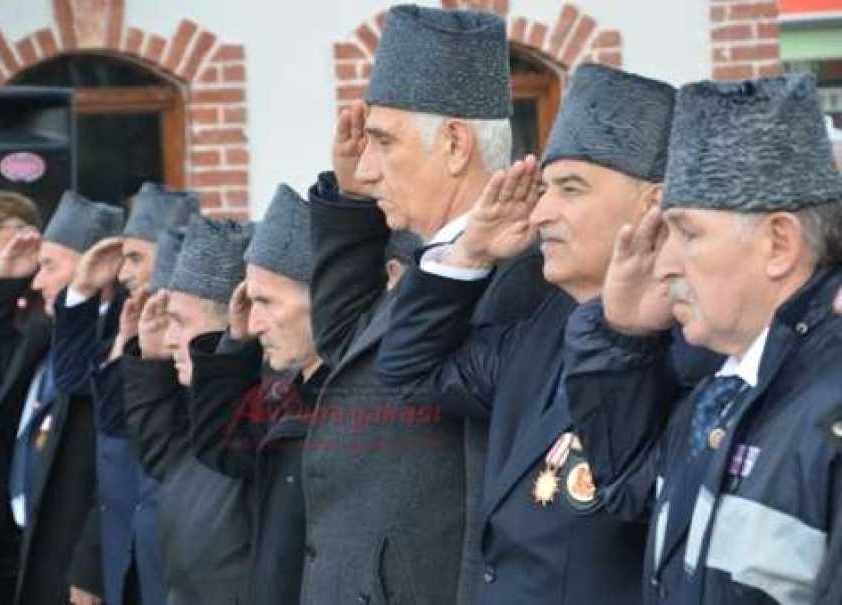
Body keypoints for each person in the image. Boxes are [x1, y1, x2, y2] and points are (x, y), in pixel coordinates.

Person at [376, 64, 691, 604]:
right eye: (544, 189)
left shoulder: (691, 348)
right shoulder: (545, 327)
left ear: (652, 205)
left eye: (570, 188)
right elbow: (409, 369)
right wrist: (469, 252)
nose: (541, 212)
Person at [561, 73, 842, 603]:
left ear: (778, 244)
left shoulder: (824, 403)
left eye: (687, 233)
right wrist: (624, 339)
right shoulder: (722, 391)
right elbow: (630, 489)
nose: (664, 264)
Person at [301, 7, 550, 603]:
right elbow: (344, 348)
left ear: (455, 144)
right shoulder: (433, 258)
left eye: (384, 142)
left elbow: (486, 495)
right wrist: (351, 203)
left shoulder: (517, 275)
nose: (367, 167)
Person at [0, 191, 123, 605]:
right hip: (18, 541)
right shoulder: (43, 334)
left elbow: (116, 469)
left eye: (49, 267)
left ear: (100, 268)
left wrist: (90, 565)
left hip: (69, 557)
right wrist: (3, 280)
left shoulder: (119, 342)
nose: (38, 282)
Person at [51, 182, 199, 605]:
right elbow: (75, 384)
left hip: (174, 561)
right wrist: (83, 290)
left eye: (135, 258)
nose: (123, 273)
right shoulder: (127, 323)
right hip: (126, 553)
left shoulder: (196, 353)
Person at [184, 183, 324, 605]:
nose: (256, 322)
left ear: (324, 299)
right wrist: (235, 343)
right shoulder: (291, 396)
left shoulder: (351, 405)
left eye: (268, 302)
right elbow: (222, 449)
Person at [123, 214, 252, 604]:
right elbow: (163, 457)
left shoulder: (259, 415)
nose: (170, 340)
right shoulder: (205, 409)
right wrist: (150, 363)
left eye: (179, 322)